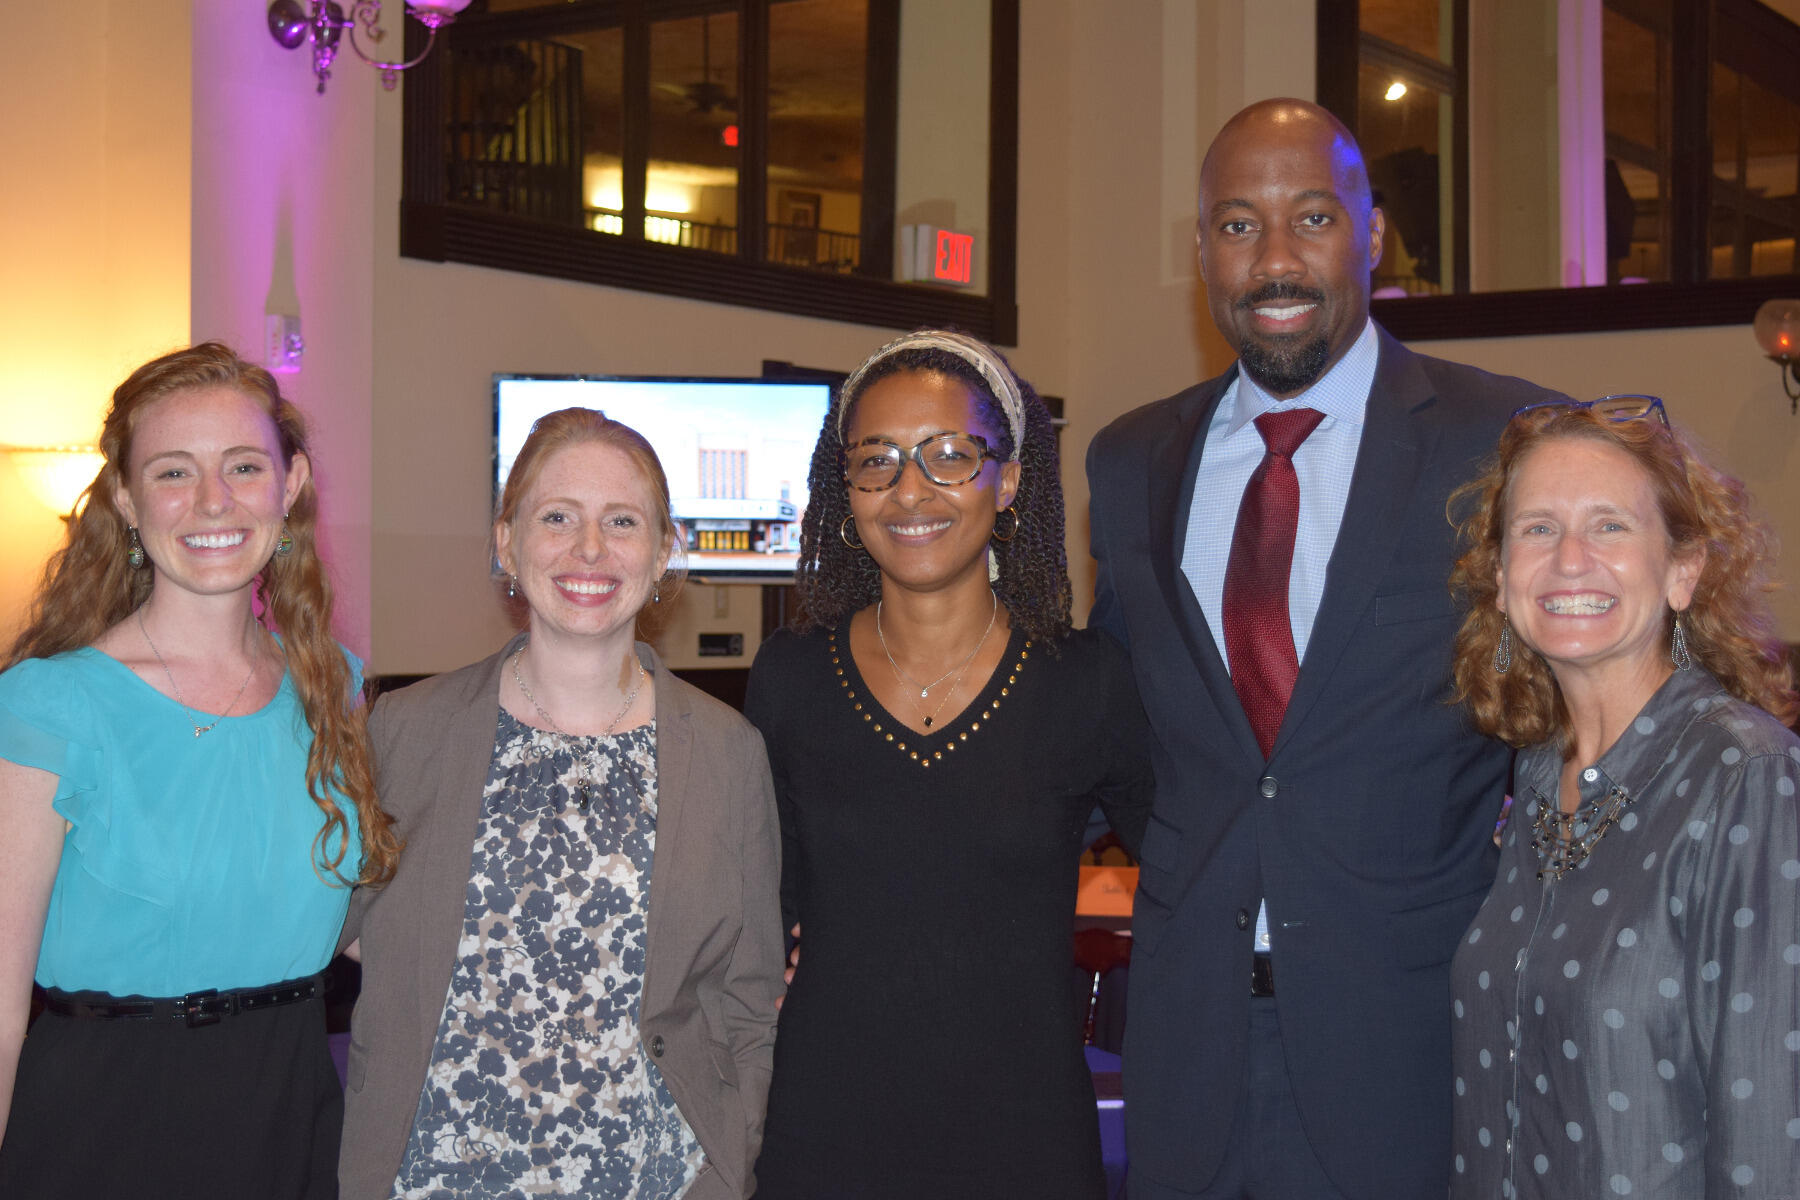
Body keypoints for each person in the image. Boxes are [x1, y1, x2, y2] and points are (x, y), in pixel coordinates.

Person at [1085, 99, 1568, 1200]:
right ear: (1200, 248)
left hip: (1411, 1042)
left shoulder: (1508, 442)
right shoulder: (1127, 462)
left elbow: (1586, 708)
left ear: (1373, 234)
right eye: (1239, 226)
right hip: (1184, 1047)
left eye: (1312, 217)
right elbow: (1121, 722)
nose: (1277, 259)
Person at [747, 329, 1153, 1200]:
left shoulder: (1088, 684)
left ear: (1007, 481)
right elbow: (756, 905)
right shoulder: (789, 678)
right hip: (823, 1133)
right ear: (845, 487)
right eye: (878, 460)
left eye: (948, 456)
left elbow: (1193, 870)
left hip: (1025, 1138)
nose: (909, 490)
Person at [337, 408, 783, 1200]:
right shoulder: (407, 729)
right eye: (557, 518)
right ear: (506, 542)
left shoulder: (727, 752)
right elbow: (340, 922)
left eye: (621, 521)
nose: (589, 549)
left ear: (662, 552)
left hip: (654, 1179)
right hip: (436, 1177)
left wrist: (725, 1166)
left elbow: (747, 999)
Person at [0, 342, 399, 1199]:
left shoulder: (335, 685)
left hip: (293, 1114)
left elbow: (369, 925)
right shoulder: (50, 703)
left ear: (289, 487)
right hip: (102, 1126)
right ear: (124, 499)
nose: (212, 502)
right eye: (173, 472)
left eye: (243, 466)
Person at [1446, 397, 1800, 1198]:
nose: (1571, 559)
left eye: (1609, 525)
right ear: (1501, 580)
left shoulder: (1747, 779)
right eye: (1537, 528)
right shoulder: (1537, 772)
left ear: (1683, 570)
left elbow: (1772, 1130)